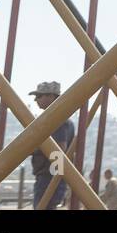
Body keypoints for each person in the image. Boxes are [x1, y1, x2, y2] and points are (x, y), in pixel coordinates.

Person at [27, 81, 75, 209]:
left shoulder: (57, 120)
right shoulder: (58, 119)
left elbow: (59, 150)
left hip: (49, 176)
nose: (36, 100)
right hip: (52, 175)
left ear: (51, 97)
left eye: (39, 96)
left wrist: (35, 147)